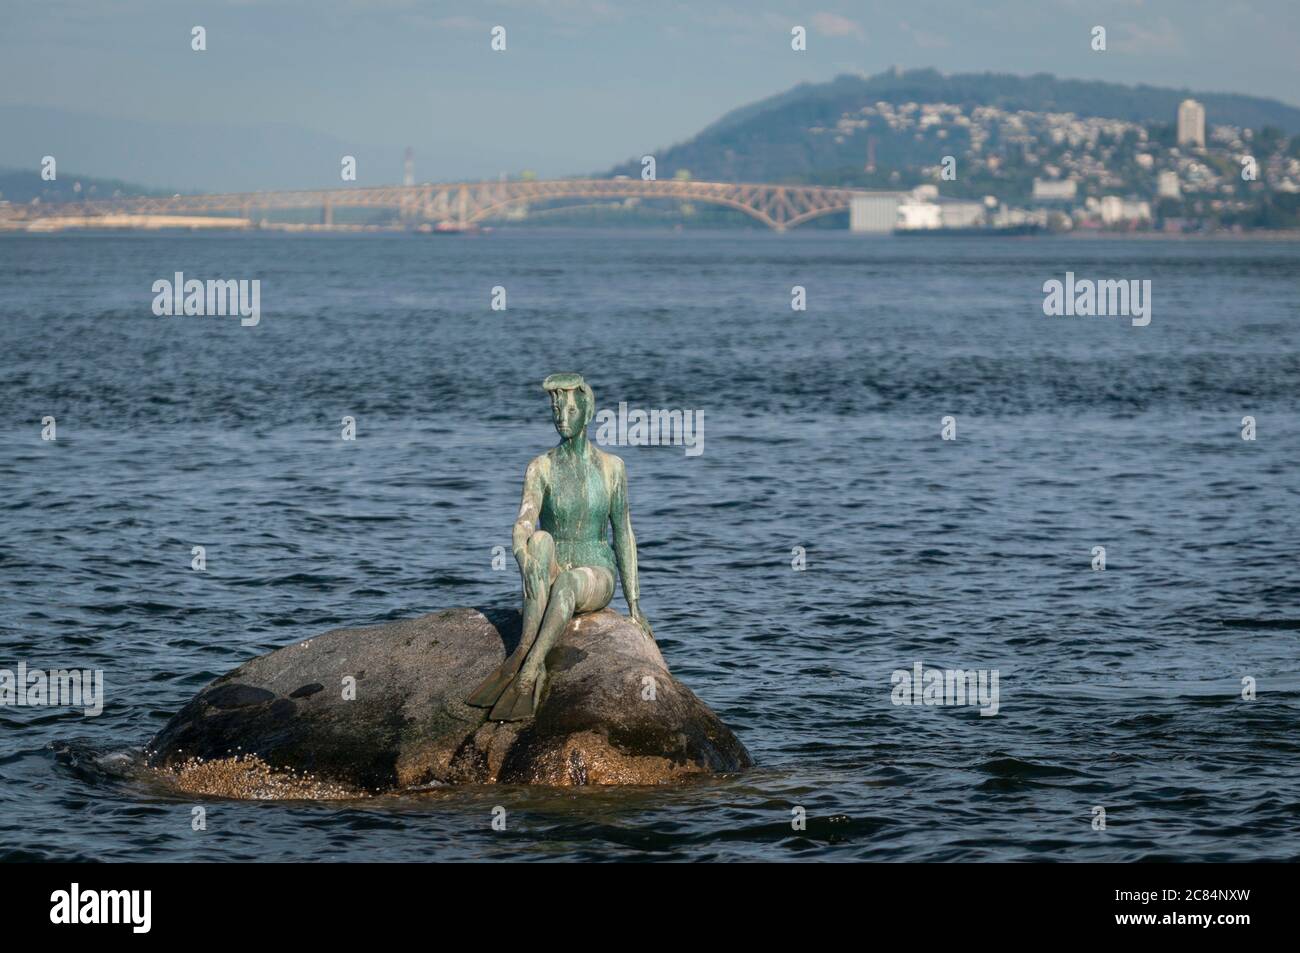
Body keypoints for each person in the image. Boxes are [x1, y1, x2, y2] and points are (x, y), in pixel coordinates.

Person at [466, 373, 653, 721]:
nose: (561, 418)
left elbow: (624, 533)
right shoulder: (541, 467)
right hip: (554, 567)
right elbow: (525, 518)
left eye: (568, 411)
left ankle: (530, 671)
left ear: (586, 412)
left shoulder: (612, 468)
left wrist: (634, 605)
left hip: (595, 572)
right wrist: (523, 554)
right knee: (539, 538)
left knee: (567, 584)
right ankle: (522, 648)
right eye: (556, 411)